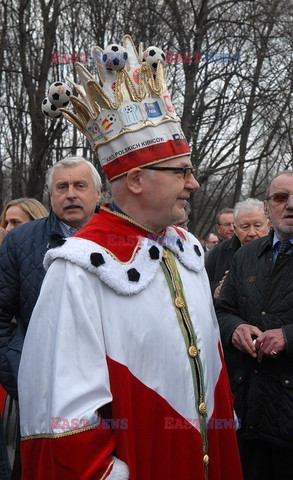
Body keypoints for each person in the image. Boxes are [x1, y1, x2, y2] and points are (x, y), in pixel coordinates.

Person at [18, 35, 242, 480]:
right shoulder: (78, 270)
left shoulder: (187, 252)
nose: (193, 183)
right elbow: (62, 419)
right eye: (181, 171)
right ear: (136, 179)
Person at [0, 156, 101, 480]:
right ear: (50, 195)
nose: (70, 194)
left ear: (98, 194)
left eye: (80, 186)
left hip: (108, 396)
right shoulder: (20, 242)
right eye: (62, 187)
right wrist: (21, 379)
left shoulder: (124, 241)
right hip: (39, 398)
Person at [216, 171, 293, 480]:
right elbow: (222, 311)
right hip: (248, 408)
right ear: (266, 207)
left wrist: (288, 336)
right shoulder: (245, 256)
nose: (289, 205)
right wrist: (234, 328)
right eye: (280, 198)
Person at [206, 198, 270, 300]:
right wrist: (216, 289)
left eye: (258, 226)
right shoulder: (217, 253)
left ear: (268, 226)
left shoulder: (283, 250)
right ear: (235, 229)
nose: (252, 233)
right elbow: (202, 284)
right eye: (245, 227)